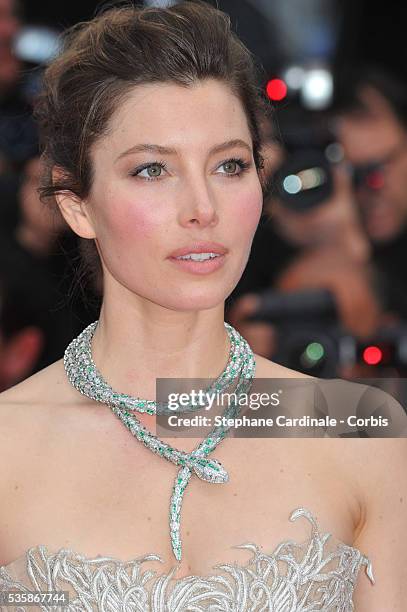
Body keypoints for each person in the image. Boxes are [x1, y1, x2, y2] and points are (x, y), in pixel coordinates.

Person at [0, 3, 406, 610]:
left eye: (230, 166)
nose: (202, 208)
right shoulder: (9, 443)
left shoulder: (360, 428)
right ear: (76, 203)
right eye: (153, 169)